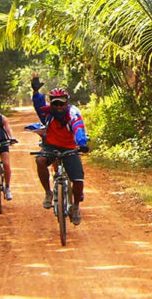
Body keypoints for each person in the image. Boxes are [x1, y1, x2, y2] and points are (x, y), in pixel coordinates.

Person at [31, 76, 89, 225]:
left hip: (69, 147)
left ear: (66, 103)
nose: (58, 107)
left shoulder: (73, 113)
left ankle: (75, 207)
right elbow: (38, 104)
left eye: (61, 104)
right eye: (55, 104)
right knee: (40, 160)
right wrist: (36, 91)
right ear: (51, 103)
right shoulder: (47, 113)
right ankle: (48, 193)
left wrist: (81, 143)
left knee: (78, 179)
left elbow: (78, 127)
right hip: (50, 145)